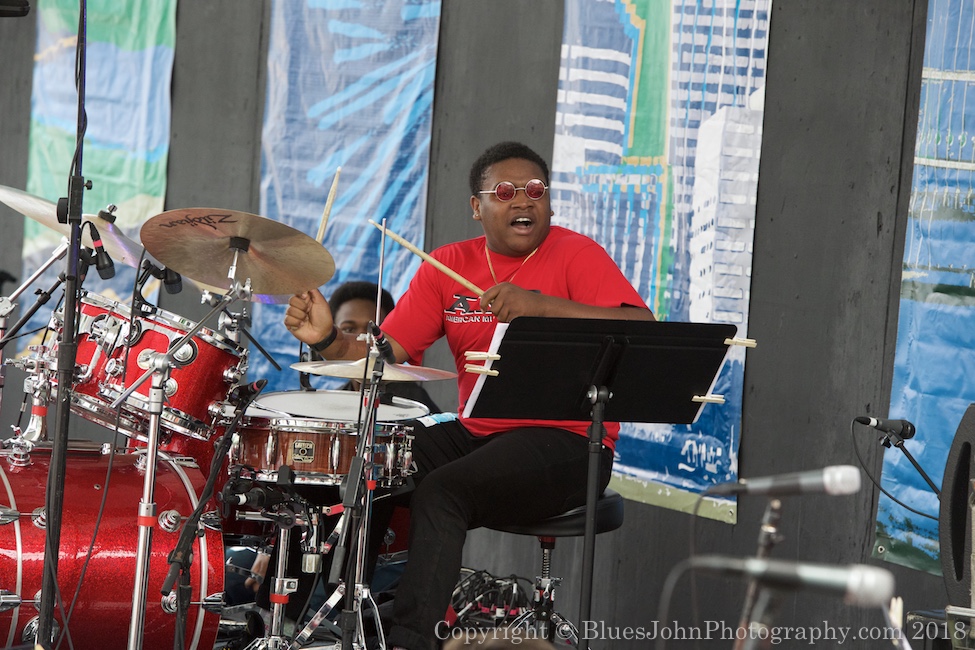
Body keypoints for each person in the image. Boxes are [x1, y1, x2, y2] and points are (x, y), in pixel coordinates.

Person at [285, 141, 654, 650]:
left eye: (535, 190)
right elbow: (384, 356)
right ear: (477, 207)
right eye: (505, 191)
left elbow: (642, 326)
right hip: (478, 433)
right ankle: (325, 620)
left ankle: (410, 641)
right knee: (368, 457)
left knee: (443, 491)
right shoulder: (448, 265)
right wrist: (328, 338)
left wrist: (541, 306)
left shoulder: (576, 254)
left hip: (570, 444)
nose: (522, 199)